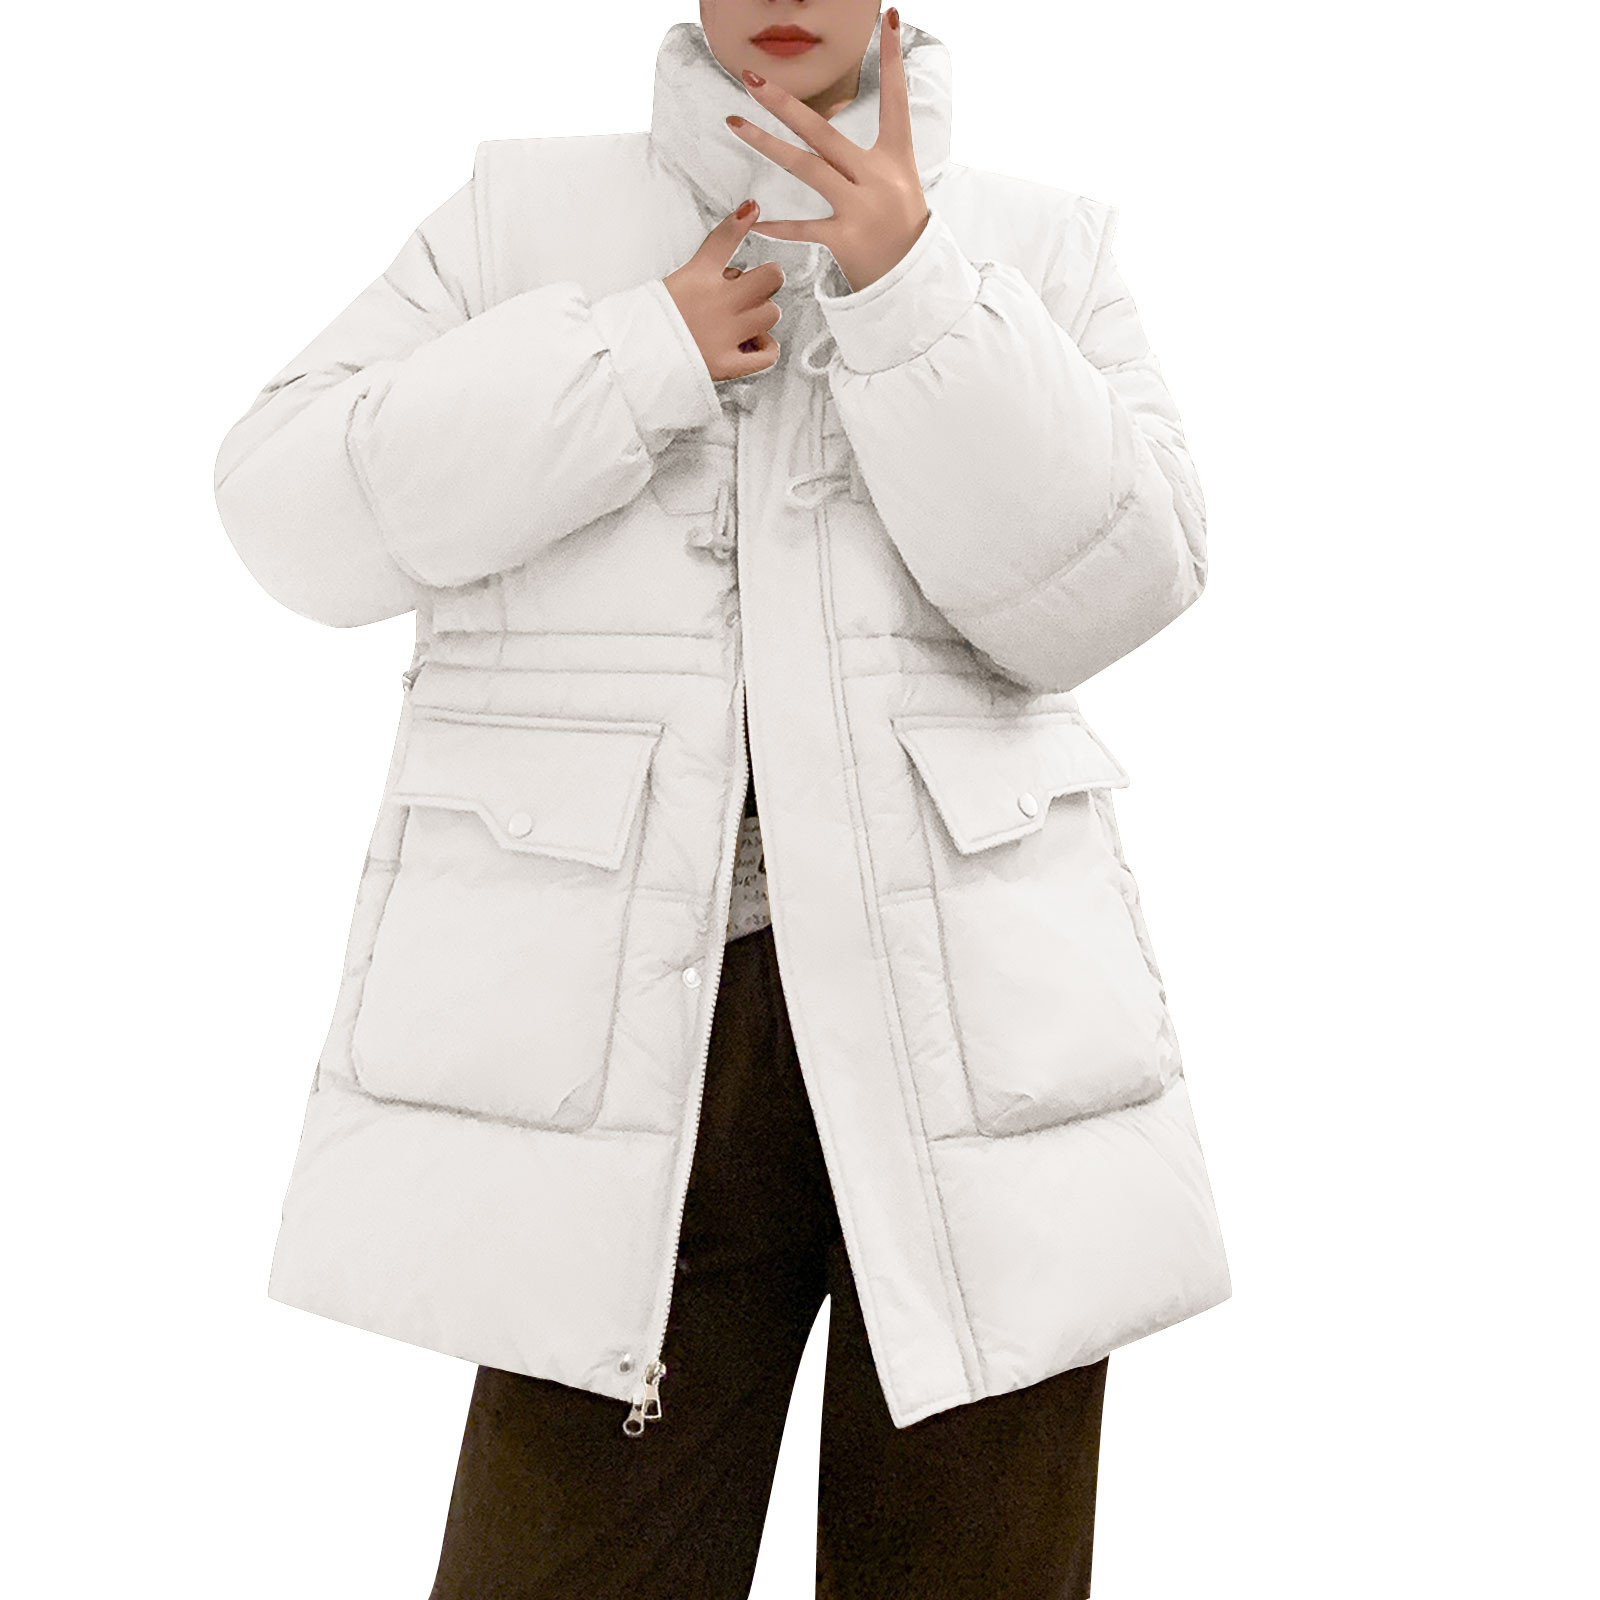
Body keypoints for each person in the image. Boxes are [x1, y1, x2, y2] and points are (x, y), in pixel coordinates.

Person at [213, 5, 1231, 1594]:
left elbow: (1119, 588)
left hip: (976, 1064)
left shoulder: (1037, 242)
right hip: (635, 1050)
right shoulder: (519, 215)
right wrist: (639, 351)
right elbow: (287, 515)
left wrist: (914, 293)